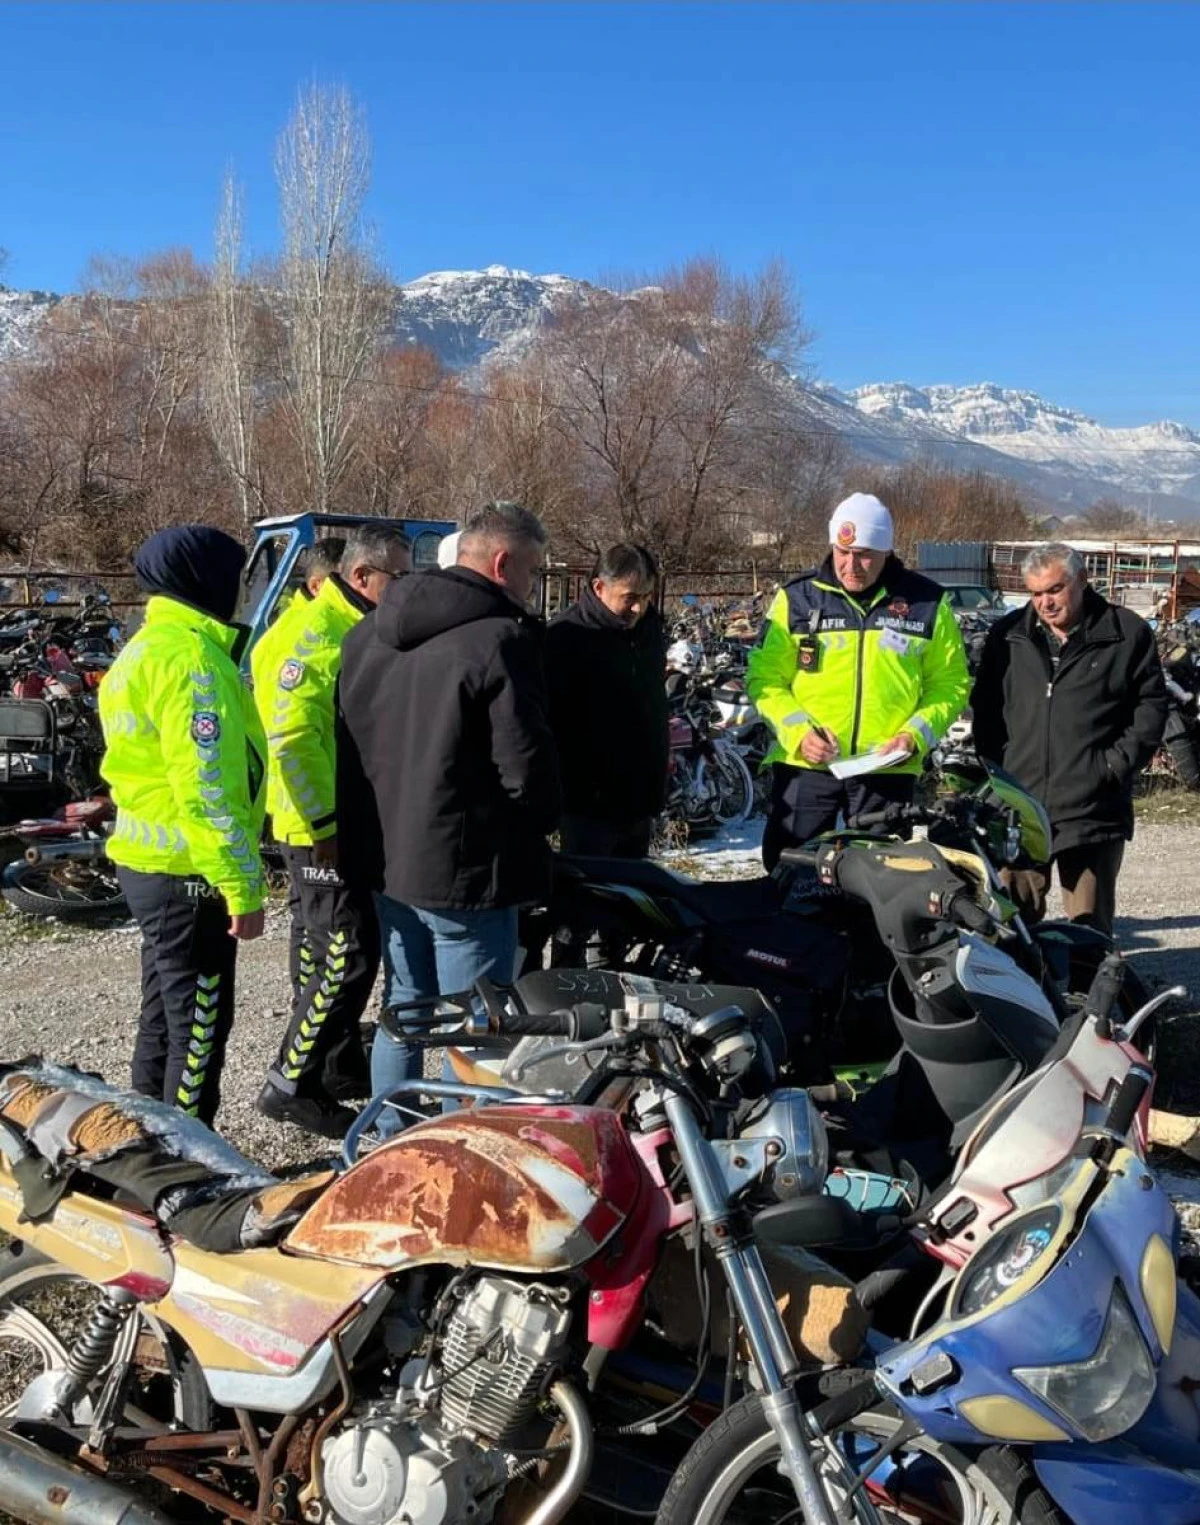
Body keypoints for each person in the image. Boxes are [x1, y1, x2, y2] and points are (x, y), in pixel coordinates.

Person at [338, 501, 561, 1126]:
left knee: (405, 1009)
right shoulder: (500, 640)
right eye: (533, 571)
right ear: (502, 562)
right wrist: (544, 821)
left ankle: (389, 1134)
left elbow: (348, 752)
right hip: (466, 868)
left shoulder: (364, 635)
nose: (533, 586)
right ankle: (459, 1150)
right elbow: (524, 766)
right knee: (476, 1024)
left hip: (386, 858)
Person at [99, 526, 267, 1126]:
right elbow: (209, 790)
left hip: (148, 866)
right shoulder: (193, 660)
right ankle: (189, 1169)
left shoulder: (143, 647)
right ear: (206, 579)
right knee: (197, 1030)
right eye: (242, 579)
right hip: (188, 874)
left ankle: (144, 1148)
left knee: (162, 1019)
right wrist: (243, 886)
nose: (246, 592)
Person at [252, 524, 413, 1137]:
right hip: (319, 825)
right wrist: (325, 824)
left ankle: (337, 1063)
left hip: (332, 820)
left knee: (324, 949)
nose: (406, 588)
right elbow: (293, 739)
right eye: (399, 576)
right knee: (344, 955)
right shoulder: (317, 634)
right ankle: (290, 1082)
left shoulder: (348, 625)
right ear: (363, 577)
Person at [747, 493, 970, 871]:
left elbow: (950, 684)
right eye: (842, 552)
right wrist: (799, 732)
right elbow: (764, 679)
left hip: (885, 770)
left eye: (865, 554)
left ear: (887, 551)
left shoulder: (927, 602)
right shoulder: (796, 599)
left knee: (879, 887)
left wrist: (915, 736)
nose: (851, 566)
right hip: (807, 767)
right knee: (789, 877)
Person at [971, 542, 1167, 937]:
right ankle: (1029, 999)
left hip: (1093, 806)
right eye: (1036, 593)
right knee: (1013, 928)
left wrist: (1112, 766)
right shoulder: (1007, 635)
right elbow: (987, 710)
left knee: (1089, 930)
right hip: (1022, 809)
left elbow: (1150, 708)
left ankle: (1087, 999)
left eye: (1055, 589)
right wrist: (999, 773)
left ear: (1081, 580)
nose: (1046, 602)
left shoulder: (1125, 633)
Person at [545, 543, 668, 857]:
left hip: (639, 800)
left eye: (646, 597)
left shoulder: (649, 628)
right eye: (630, 598)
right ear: (599, 587)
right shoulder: (565, 637)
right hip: (587, 807)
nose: (639, 608)